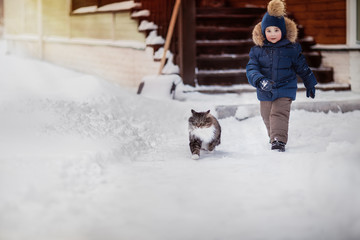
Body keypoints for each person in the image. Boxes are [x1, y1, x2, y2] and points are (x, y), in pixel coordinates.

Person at [246, 0, 317, 152]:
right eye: (269, 30)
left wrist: (310, 82)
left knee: (279, 113)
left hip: (285, 87)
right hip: (265, 89)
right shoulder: (257, 51)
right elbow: (251, 68)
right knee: (266, 115)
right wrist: (259, 80)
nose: (272, 34)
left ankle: (278, 140)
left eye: (276, 30)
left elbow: (302, 67)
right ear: (263, 32)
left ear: (283, 31)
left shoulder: (291, 49)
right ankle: (274, 137)